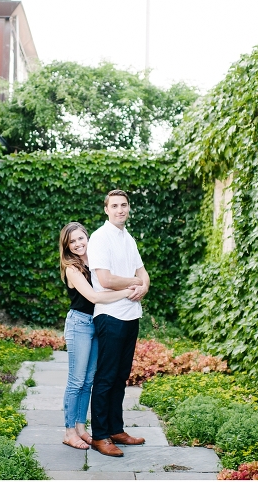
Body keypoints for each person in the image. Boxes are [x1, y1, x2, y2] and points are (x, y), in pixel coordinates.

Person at [59, 221, 139, 450]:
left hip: (97, 323)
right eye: (71, 241)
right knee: (76, 381)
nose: (77, 244)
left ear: (87, 237)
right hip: (79, 324)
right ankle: (69, 431)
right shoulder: (72, 268)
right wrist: (128, 291)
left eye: (80, 238)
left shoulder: (95, 261)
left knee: (88, 381)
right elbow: (94, 297)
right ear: (66, 246)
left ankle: (82, 428)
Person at [86, 190, 150, 457]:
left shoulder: (128, 238)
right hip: (110, 315)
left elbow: (143, 273)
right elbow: (106, 279)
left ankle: (116, 430)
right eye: (115, 206)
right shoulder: (100, 238)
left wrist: (143, 286)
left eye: (124, 205)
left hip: (131, 313)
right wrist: (135, 283)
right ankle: (100, 436)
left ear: (128, 208)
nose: (120, 210)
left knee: (121, 377)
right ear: (106, 209)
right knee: (106, 377)